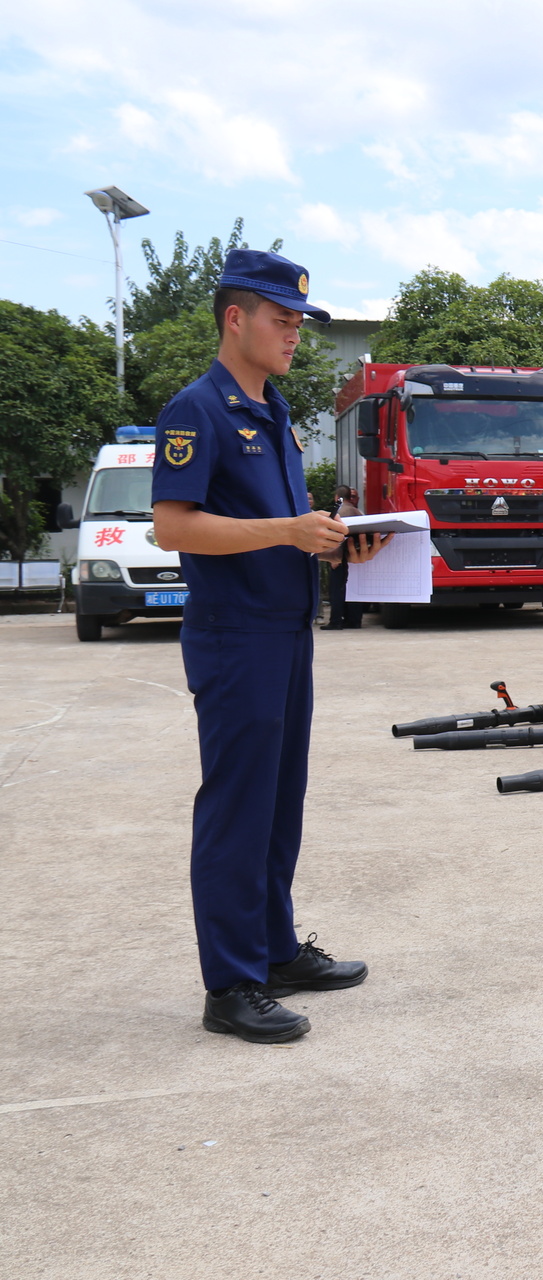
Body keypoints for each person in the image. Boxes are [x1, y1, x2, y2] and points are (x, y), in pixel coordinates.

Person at [151, 248, 382, 1044]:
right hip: (235, 634)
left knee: (281, 802)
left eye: (298, 324)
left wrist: (332, 543)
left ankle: (274, 951)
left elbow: (281, 530)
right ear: (235, 318)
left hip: (286, 629)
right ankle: (230, 984)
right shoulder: (198, 410)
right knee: (238, 807)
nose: (293, 334)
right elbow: (172, 526)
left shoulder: (274, 412)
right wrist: (288, 530)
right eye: (282, 320)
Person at [322, 484, 363, 630]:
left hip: (340, 557)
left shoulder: (339, 512)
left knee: (337, 590)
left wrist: (333, 556)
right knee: (353, 589)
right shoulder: (357, 511)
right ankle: (354, 620)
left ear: (336, 497)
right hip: (356, 556)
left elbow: (337, 535)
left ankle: (336, 621)